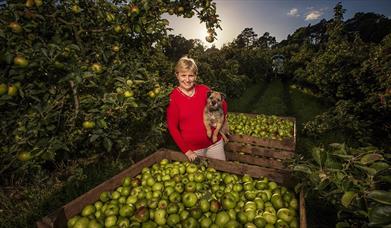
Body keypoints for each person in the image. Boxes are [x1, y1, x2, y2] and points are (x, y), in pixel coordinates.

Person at [166, 56, 227, 161]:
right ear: (177, 75)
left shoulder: (204, 90)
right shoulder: (173, 98)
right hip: (194, 150)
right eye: (183, 75)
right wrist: (187, 151)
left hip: (214, 145)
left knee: (222, 173)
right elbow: (172, 127)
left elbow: (223, 104)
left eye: (191, 75)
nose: (187, 79)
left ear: (195, 76)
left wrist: (220, 121)